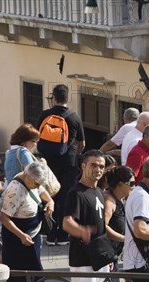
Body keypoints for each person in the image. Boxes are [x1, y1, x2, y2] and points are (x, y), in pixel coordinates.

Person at [57, 149, 120, 282]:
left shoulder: (98, 193)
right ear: (83, 166)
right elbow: (67, 223)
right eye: (94, 165)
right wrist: (83, 231)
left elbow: (103, 226)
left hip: (101, 258)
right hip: (83, 259)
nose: (98, 170)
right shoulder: (76, 192)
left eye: (101, 166)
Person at [1, 162, 55, 282]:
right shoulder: (15, 190)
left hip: (31, 232)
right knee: (17, 270)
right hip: (17, 235)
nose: (38, 187)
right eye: (36, 183)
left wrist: (50, 204)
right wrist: (21, 235)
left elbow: (47, 197)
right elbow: (4, 218)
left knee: (29, 268)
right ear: (28, 177)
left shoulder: (34, 182)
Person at [36, 84, 85, 246]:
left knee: (48, 197)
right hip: (68, 164)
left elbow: (38, 137)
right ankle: (63, 235)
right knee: (65, 198)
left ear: (54, 98)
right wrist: (74, 154)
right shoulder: (74, 117)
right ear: (67, 98)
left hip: (47, 164)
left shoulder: (45, 115)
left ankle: (50, 234)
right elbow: (82, 143)